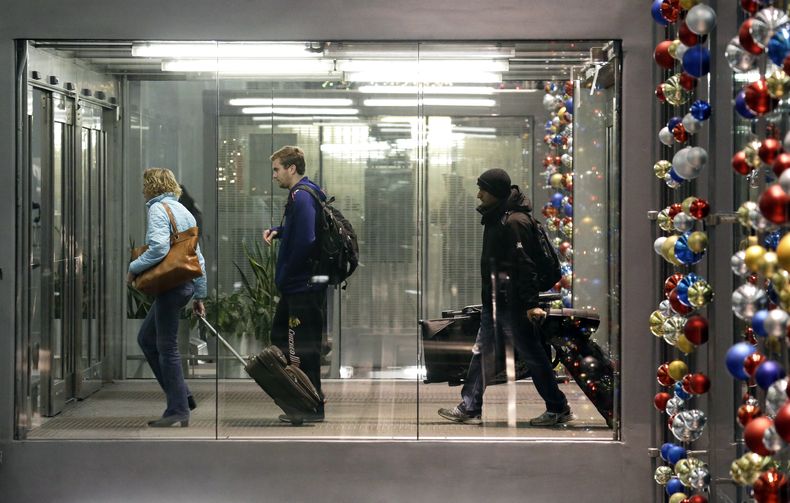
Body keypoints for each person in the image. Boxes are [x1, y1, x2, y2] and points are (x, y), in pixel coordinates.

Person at [438, 168, 573, 426]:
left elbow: (525, 265)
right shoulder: (498, 217)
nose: (478, 195)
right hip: (497, 301)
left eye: (483, 190)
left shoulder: (514, 222)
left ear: (496, 192)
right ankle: (470, 406)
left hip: (514, 305)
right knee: (483, 352)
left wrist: (530, 304)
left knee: (532, 355)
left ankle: (558, 407)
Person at [128, 168, 207, 428]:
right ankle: (182, 397)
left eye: (145, 185)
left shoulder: (157, 209)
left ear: (152, 186)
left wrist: (134, 268)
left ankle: (178, 409)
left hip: (170, 286)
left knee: (167, 347)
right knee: (146, 339)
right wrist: (199, 294)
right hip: (184, 286)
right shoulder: (183, 210)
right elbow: (198, 257)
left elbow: (159, 248)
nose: (142, 190)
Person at [263, 146, 327, 423]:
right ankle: (306, 402)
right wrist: (280, 231)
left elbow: (307, 240)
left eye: (277, 169)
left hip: (301, 287)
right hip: (300, 287)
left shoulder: (301, 197)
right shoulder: (305, 194)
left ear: (291, 168)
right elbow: (301, 231)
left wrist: (288, 272)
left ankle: (309, 407)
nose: (274, 175)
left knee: (300, 349)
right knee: (283, 339)